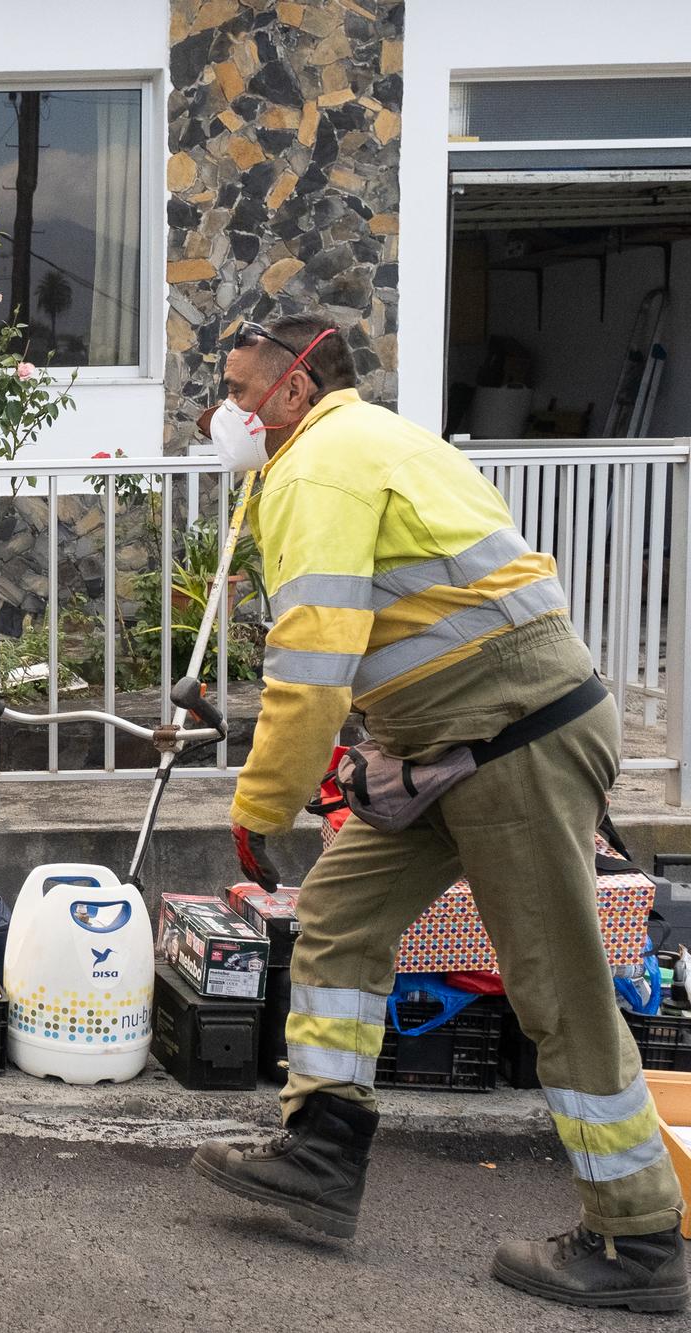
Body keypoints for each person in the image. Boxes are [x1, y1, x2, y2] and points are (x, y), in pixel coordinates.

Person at [187, 312, 685, 1313]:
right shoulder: (371, 440)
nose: (222, 414)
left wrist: (262, 803)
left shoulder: (320, 463)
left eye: (237, 392)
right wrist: (370, 749)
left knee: (556, 990)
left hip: (512, 737)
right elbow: (399, 631)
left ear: (290, 386)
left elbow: (314, 664)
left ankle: (635, 1239)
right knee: (338, 917)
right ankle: (318, 1148)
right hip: (452, 739)